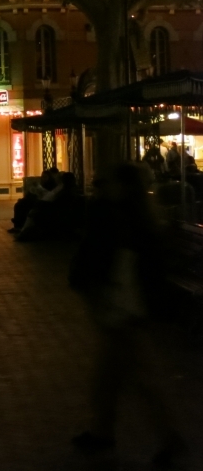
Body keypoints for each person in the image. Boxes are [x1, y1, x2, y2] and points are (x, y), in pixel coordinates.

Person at [69, 163, 184, 466]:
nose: (101, 187)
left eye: (107, 182)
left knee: (140, 377)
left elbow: (114, 262)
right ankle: (103, 432)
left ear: (124, 186)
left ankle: (169, 438)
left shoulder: (125, 220)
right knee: (109, 378)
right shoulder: (130, 216)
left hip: (124, 310)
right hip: (123, 307)